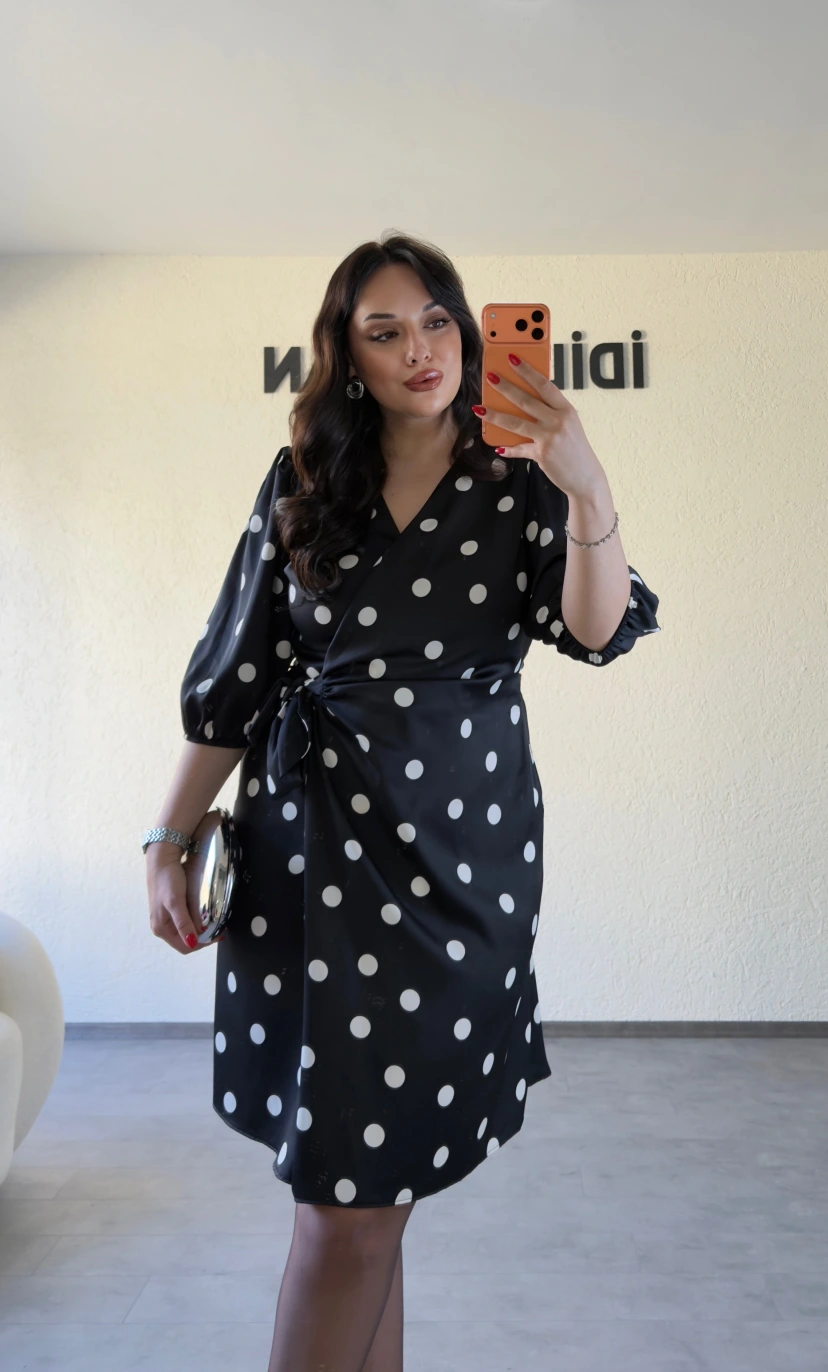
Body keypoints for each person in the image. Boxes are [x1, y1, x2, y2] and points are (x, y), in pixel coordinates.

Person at [145, 231, 660, 1372]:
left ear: (467, 333)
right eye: (384, 332)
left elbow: (593, 628)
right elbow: (238, 673)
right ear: (349, 355)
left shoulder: (522, 477)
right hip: (307, 859)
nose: (418, 349)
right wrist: (168, 835)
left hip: (458, 869)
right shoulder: (303, 479)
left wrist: (587, 482)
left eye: (434, 321)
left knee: (369, 1200)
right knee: (350, 1201)